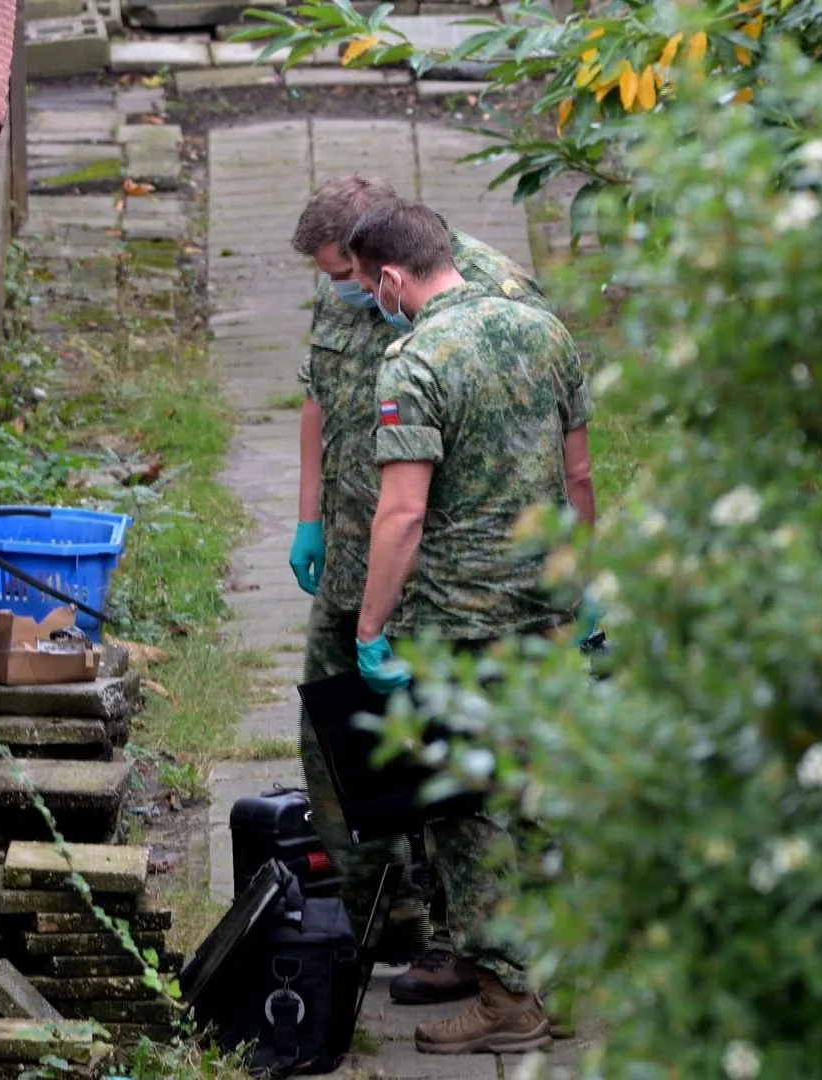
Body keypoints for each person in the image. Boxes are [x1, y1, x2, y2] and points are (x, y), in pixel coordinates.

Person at [286, 175, 569, 1009]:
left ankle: (470, 946)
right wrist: (309, 517)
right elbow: (316, 393)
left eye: (349, 276)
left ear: (387, 266)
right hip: (355, 550)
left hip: (447, 573)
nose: (345, 293)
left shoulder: (495, 299)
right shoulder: (349, 287)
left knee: (456, 769)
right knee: (336, 736)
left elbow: (542, 443)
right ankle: (384, 906)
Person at [344, 199, 595, 1055]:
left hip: (461, 621)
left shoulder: (413, 362)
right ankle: (557, 979)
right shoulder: (543, 330)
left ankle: (505, 997)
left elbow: (403, 515)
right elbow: (580, 473)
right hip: (547, 608)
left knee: (467, 806)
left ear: (389, 278)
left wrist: (371, 626)